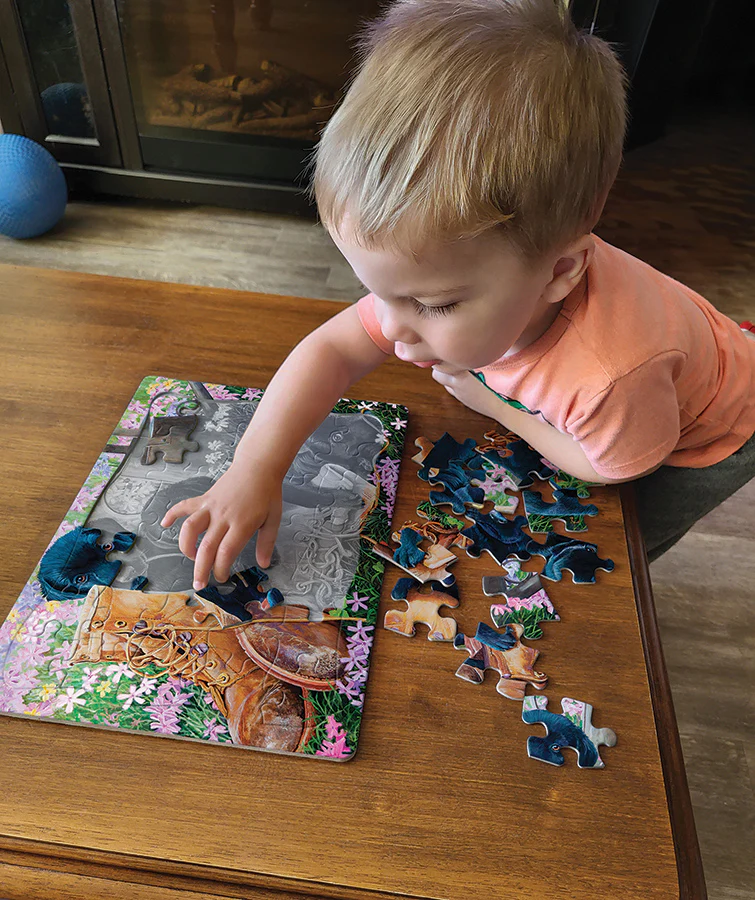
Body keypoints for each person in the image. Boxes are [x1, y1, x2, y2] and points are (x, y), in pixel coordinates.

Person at [162, 0, 755, 589]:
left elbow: (608, 466)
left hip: (714, 430)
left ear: (559, 272)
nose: (391, 329)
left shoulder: (609, 376)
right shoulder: (459, 271)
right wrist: (252, 470)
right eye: (375, 291)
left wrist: (489, 401)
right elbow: (331, 351)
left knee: (623, 555)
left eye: (436, 305)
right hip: (648, 379)